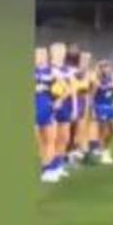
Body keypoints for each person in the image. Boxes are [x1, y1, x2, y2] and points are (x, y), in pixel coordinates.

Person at [43, 42, 74, 183]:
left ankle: (58, 166)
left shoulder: (68, 70)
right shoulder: (47, 70)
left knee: (65, 138)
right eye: (57, 51)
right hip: (52, 105)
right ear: (51, 53)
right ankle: (49, 169)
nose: (60, 53)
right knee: (52, 138)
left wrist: (74, 107)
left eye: (62, 51)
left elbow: (72, 90)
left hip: (66, 106)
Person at [34, 46, 58, 181]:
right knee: (39, 141)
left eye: (43, 54)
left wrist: (58, 101)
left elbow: (64, 88)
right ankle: (45, 165)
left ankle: (48, 169)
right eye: (38, 55)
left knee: (50, 140)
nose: (40, 57)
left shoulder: (52, 72)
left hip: (47, 109)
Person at [91, 59, 113, 165]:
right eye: (103, 67)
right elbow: (92, 97)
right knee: (104, 130)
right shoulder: (97, 81)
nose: (106, 69)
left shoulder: (112, 78)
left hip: (110, 107)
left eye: (107, 66)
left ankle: (101, 147)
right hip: (100, 107)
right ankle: (104, 152)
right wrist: (93, 110)